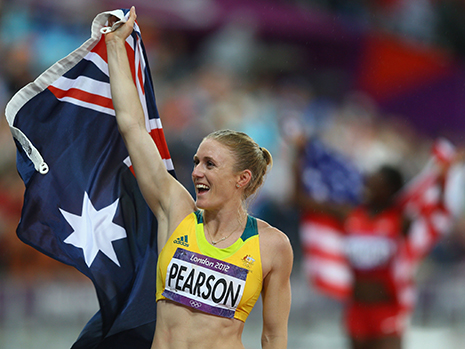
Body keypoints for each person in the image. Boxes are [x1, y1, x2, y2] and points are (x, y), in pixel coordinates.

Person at [104, 7, 293, 349]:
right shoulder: (176, 212)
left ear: (242, 178)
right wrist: (116, 46)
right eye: (196, 161)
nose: (196, 172)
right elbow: (131, 125)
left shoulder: (272, 245)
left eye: (210, 164)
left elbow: (274, 334)